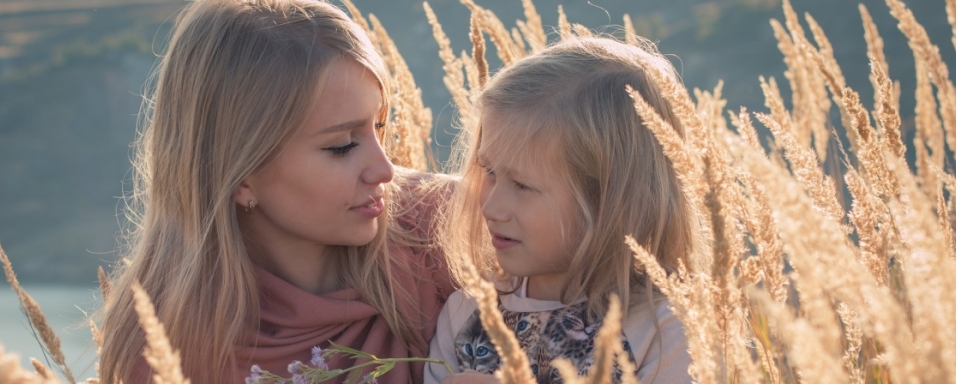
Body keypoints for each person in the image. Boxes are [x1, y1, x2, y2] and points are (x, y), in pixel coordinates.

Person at [97, 0, 453, 382]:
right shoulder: (161, 345)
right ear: (241, 172)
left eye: (379, 126)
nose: (385, 170)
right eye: (343, 145)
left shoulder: (456, 230)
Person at [425, 36, 697, 384]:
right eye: (489, 172)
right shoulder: (468, 314)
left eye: (523, 186)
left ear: (610, 200)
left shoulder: (666, 330)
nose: (492, 207)